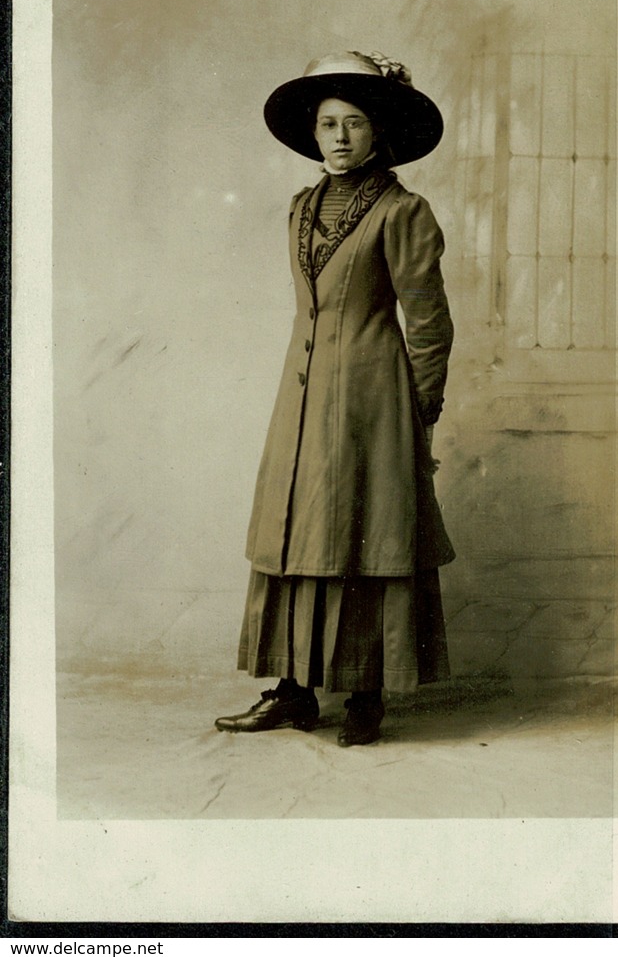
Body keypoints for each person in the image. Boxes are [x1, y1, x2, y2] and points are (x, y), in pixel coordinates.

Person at [215, 50, 455, 746]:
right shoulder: (300, 207)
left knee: (363, 536)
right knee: (294, 530)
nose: (340, 137)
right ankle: (292, 690)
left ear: (378, 133)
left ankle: (364, 696)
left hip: (373, 400)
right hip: (300, 394)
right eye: (327, 125)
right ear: (313, 136)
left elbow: (430, 323)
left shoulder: (403, 212)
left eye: (353, 124)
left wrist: (420, 411)